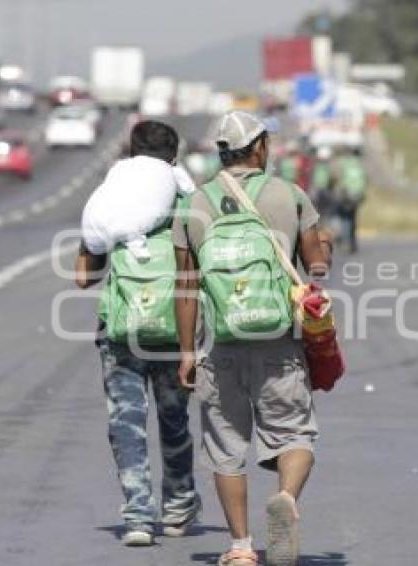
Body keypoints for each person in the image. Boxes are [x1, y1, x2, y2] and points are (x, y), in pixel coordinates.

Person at [172, 111, 332, 566]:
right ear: (259, 147)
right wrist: (321, 253)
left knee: (226, 448)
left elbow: (185, 285)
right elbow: (316, 264)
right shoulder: (289, 195)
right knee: (295, 434)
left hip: (221, 344)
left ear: (223, 152)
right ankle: (285, 496)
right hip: (280, 340)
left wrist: (186, 352)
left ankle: (240, 547)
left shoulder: (194, 204)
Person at [75, 120, 201, 547]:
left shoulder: (115, 197)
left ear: (131, 153)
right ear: (174, 157)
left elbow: (82, 276)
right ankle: (179, 506)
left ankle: (138, 517)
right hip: (174, 328)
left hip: (121, 330)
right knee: (174, 419)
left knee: (126, 422)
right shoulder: (186, 197)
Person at [82, 120, 195, 259]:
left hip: (125, 275)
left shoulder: (118, 181)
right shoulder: (184, 197)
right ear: (173, 161)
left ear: (133, 155)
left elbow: (85, 278)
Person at [332, 147, 367, 254]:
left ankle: (346, 241)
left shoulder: (344, 163)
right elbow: (365, 181)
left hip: (346, 194)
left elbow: (337, 177)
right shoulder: (361, 165)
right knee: (353, 218)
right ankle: (352, 241)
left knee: (345, 218)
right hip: (357, 195)